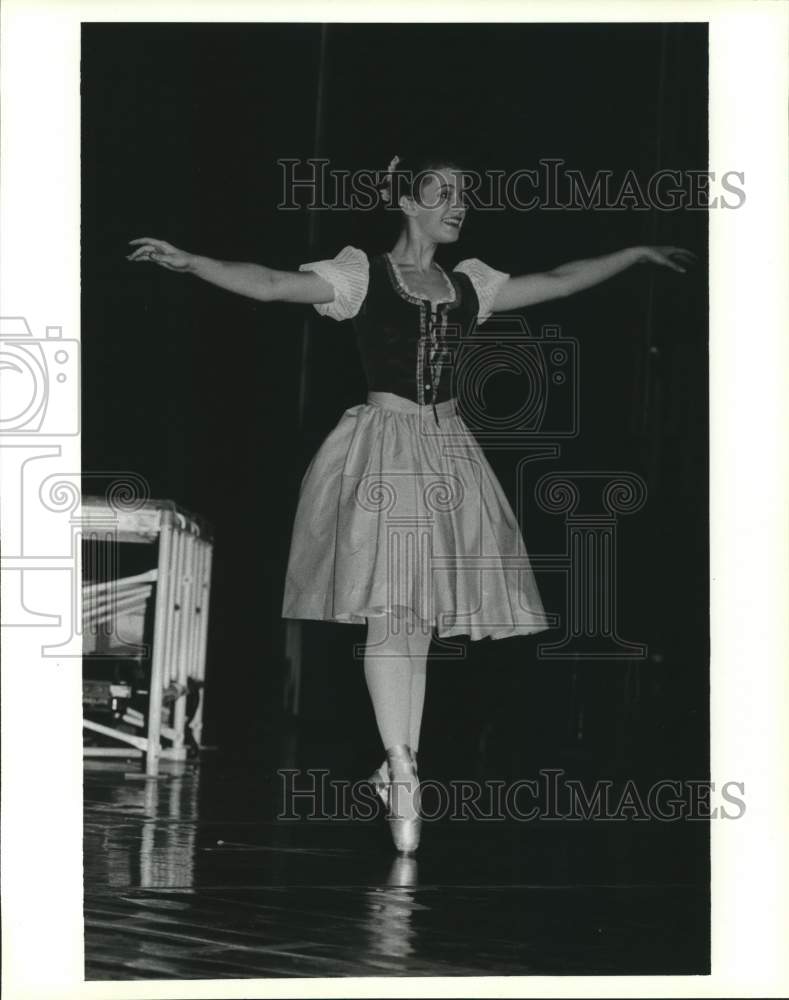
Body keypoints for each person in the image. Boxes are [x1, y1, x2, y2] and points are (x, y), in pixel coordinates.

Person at [127, 152, 695, 855]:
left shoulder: (467, 285)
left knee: (419, 615)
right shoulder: (361, 274)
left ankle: (400, 762)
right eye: (443, 191)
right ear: (406, 199)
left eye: (464, 192)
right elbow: (273, 285)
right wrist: (193, 262)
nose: (458, 203)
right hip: (384, 447)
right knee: (393, 607)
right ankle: (400, 764)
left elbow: (554, 282)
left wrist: (633, 250)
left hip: (448, 452)